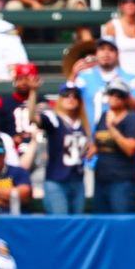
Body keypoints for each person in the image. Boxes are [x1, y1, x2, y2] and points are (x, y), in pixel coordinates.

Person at [90, 77, 135, 213]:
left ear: (126, 99)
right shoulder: (103, 116)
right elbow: (98, 143)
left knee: (121, 221)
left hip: (123, 181)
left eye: (119, 94)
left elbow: (130, 149)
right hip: (101, 180)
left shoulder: (131, 120)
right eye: (111, 93)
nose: (115, 97)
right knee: (101, 220)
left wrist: (112, 128)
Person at [38, 80, 91, 214]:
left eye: (75, 96)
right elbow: (34, 119)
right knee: (60, 221)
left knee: (77, 222)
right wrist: (33, 92)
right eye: (66, 95)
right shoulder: (54, 119)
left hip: (77, 180)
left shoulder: (83, 123)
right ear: (60, 99)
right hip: (56, 180)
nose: (70, 98)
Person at [74, 37, 135, 128]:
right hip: (89, 133)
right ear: (96, 53)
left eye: (111, 49)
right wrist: (73, 76)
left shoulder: (131, 79)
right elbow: (69, 102)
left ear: (117, 54)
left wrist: (121, 88)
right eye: (102, 49)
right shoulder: (83, 77)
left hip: (120, 133)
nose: (106, 53)